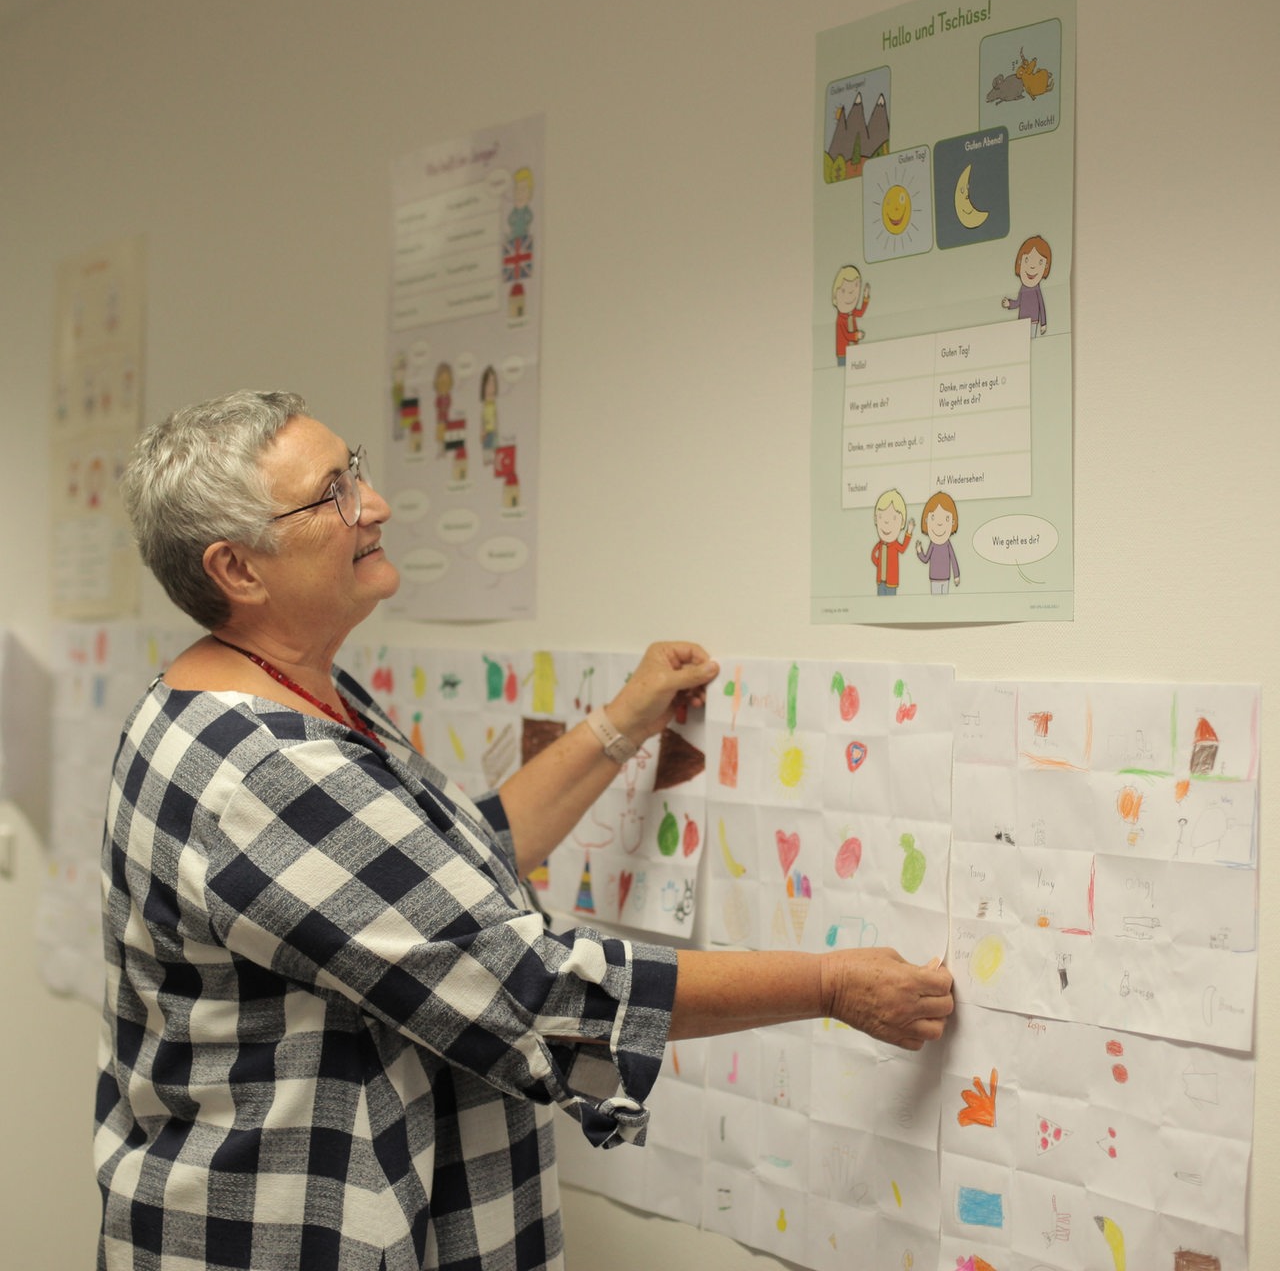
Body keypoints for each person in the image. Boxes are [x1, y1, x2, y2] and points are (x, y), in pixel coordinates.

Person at [95, 391, 954, 1271]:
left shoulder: (292, 694)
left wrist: (624, 722)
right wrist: (832, 984)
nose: (376, 503)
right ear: (238, 570)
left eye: (353, 470)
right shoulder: (263, 771)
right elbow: (534, 991)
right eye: (334, 494)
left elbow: (466, 862)